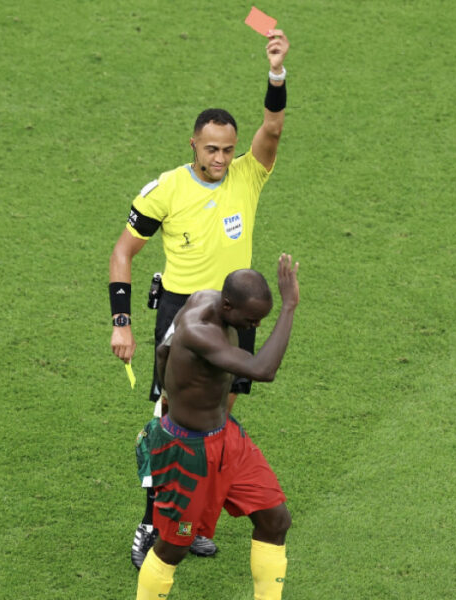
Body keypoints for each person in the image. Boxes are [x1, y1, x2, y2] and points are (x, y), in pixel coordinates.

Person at [108, 29, 291, 567]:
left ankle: (197, 522)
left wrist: (276, 71)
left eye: (228, 149)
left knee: (218, 421)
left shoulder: (248, 175)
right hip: (184, 313)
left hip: (238, 312)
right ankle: (152, 524)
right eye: (211, 148)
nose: (220, 157)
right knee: (173, 423)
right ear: (192, 143)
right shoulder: (165, 189)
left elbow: (274, 128)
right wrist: (122, 322)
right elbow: (123, 253)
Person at [135, 254, 299, 600]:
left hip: (228, 439)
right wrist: (289, 308)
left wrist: (167, 394)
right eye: (252, 320)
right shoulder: (200, 332)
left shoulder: (203, 298)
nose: (254, 327)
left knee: (275, 520)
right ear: (227, 305)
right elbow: (263, 370)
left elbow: (164, 351)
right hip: (187, 452)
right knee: (173, 546)